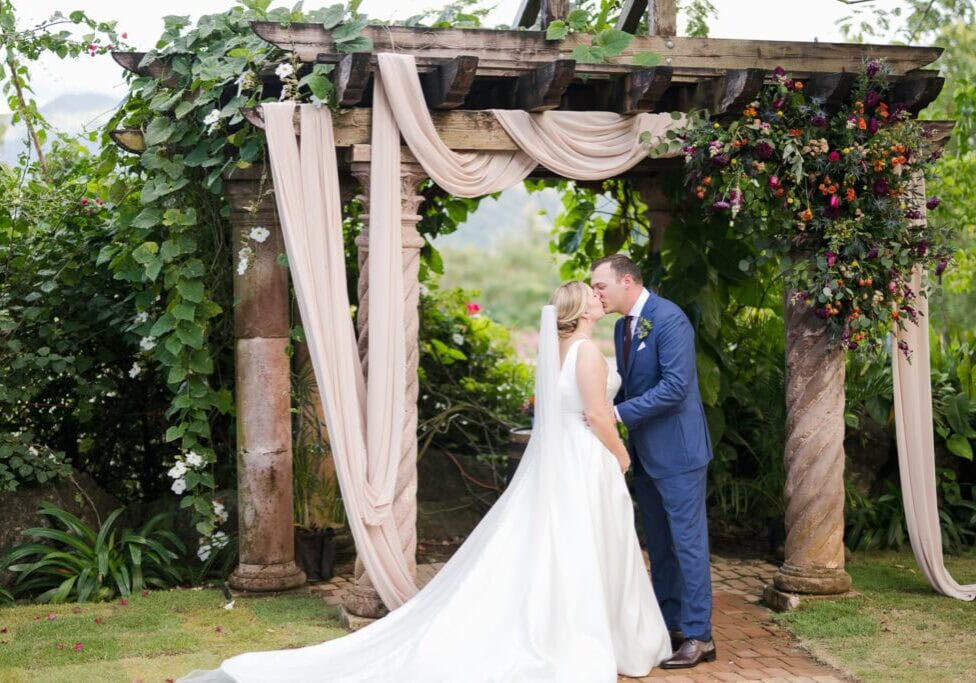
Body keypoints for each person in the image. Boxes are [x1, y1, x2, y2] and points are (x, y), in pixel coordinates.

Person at [180, 282, 670, 683]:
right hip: (585, 456)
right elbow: (597, 415)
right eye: (591, 293)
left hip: (563, 458)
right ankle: (582, 635)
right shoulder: (586, 352)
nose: (598, 296)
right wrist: (622, 454)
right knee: (587, 544)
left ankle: (569, 622)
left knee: (564, 544)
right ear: (578, 308)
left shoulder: (559, 349)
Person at [590, 254, 716, 670]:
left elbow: (677, 387)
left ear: (627, 281)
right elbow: (630, 386)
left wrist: (618, 416)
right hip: (646, 453)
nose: (596, 294)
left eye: (601, 286)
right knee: (660, 547)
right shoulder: (622, 326)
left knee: (688, 544)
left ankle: (700, 636)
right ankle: (670, 626)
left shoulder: (669, 318)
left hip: (678, 453)